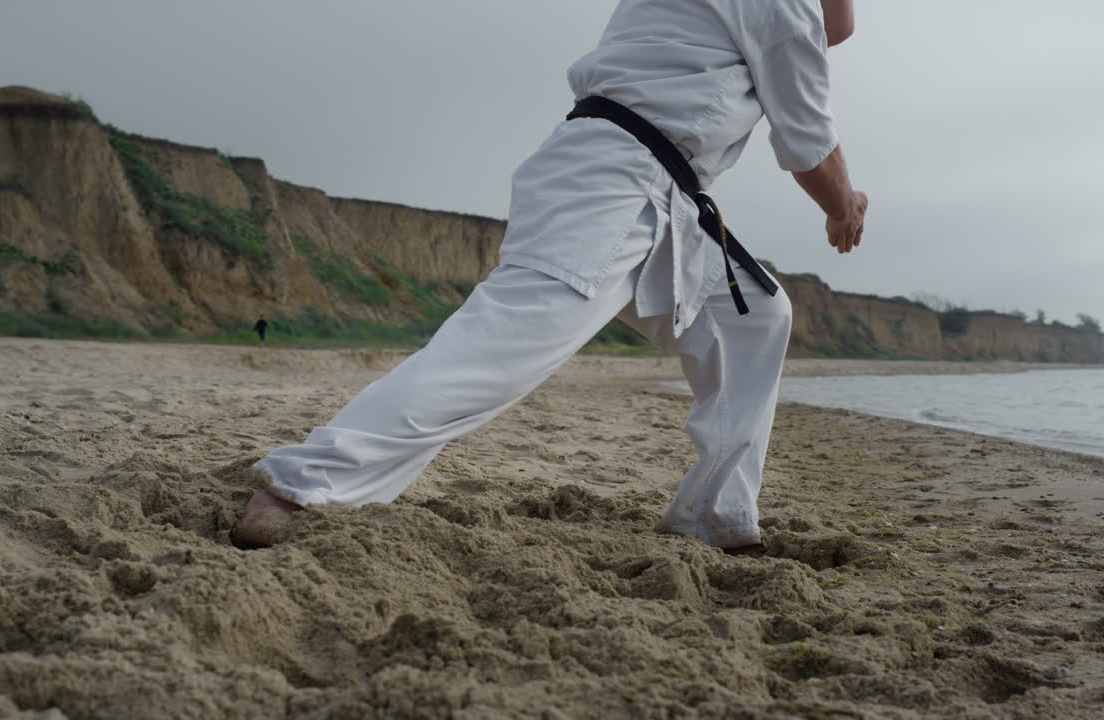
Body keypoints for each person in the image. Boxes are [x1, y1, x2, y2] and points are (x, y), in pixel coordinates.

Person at [233, 0, 868, 550]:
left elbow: (829, 29)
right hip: (616, 181)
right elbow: (807, 135)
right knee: (497, 351)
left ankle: (716, 515)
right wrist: (844, 206)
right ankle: (303, 484)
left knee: (754, 317)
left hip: (651, 184)